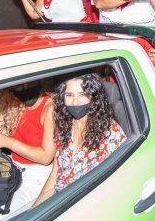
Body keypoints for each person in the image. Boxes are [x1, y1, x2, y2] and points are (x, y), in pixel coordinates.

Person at [32, 73, 126, 207]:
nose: (75, 102)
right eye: (69, 95)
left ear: (94, 97)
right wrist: (35, 208)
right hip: (59, 200)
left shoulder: (111, 134)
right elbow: (56, 174)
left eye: (82, 94)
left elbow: (118, 183)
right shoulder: (65, 124)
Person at [0, 80, 55, 221]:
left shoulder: (50, 106)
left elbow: (46, 157)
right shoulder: (15, 103)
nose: (25, 89)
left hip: (36, 179)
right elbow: (20, 137)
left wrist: (7, 141)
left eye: (30, 83)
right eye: (19, 85)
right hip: (13, 170)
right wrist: (0, 131)